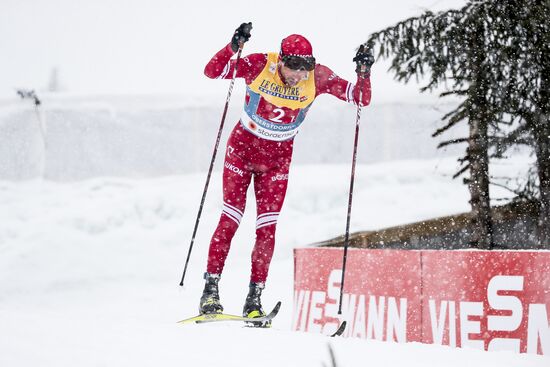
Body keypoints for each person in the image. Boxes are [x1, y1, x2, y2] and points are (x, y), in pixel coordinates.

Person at [199, 22, 374, 323]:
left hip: (277, 160)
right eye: (293, 69)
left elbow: (360, 98)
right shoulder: (258, 64)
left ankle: (254, 299)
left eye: (303, 71)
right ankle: (210, 291)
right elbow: (212, 72)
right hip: (241, 150)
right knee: (231, 218)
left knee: (266, 228)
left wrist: (364, 73)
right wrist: (233, 47)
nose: (298, 77)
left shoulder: (317, 78)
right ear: (280, 61)